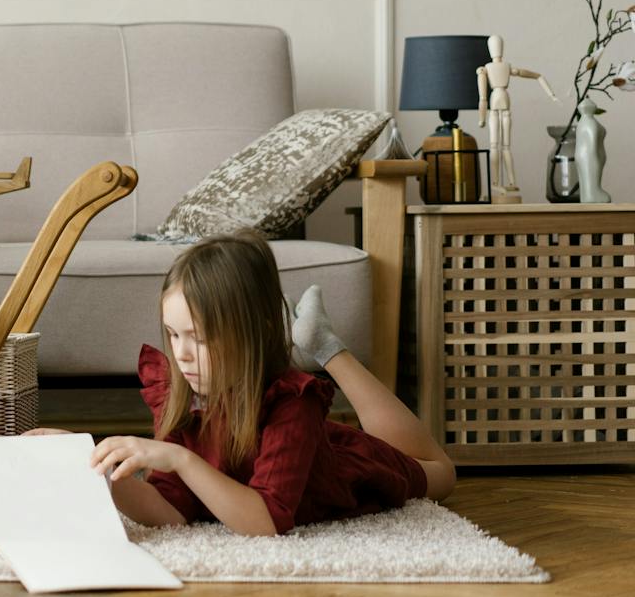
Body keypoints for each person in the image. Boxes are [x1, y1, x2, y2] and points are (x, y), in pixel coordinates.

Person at [68, 230, 455, 536]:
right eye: (173, 334)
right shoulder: (178, 391)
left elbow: (265, 522)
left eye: (200, 338)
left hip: (340, 467)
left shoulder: (293, 403)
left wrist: (181, 460)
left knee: (440, 473)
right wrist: (89, 466)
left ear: (255, 332)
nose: (181, 354)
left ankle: (324, 345)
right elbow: (171, 510)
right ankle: (311, 336)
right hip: (283, 439)